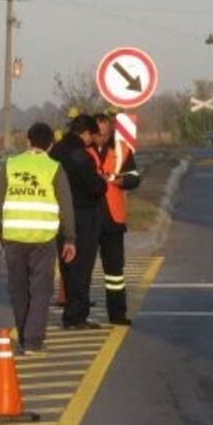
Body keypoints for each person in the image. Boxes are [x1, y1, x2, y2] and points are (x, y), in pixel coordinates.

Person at [0, 123, 77, 353]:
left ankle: (24, 333)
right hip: (43, 239)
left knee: (18, 288)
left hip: (13, 237)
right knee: (41, 289)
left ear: (28, 142)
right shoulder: (54, 168)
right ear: (50, 145)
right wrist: (69, 238)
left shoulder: (10, 165)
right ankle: (33, 340)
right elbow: (65, 206)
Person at [50, 114, 108, 329]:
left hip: (59, 214)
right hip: (82, 214)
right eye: (91, 136)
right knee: (82, 265)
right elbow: (94, 185)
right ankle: (77, 315)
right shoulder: (80, 155)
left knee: (67, 264)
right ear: (85, 133)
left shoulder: (55, 151)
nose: (92, 140)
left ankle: (71, 312)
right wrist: (103, 184)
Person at [91, 113, 140, 325]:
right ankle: (79, 313)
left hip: (113, 217)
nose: (102, 138)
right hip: (89, 215)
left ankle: (117, 313)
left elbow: (135, 177)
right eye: (98, 134)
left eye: (105, 133)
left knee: (115, 271)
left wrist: (123, 181)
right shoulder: (83, 150)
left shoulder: (121, 149)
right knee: (82, 269)